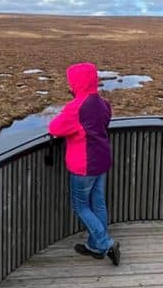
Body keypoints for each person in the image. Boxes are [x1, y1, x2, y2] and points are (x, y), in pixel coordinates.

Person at [48, 62, 120, 265]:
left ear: (76, 83)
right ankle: (95, 245)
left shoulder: (76, 107)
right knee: (98, 202)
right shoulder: (104, 104)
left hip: (83, 165)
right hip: (102, 160)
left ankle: (106, 244)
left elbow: (55, 128)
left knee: (80, 206)